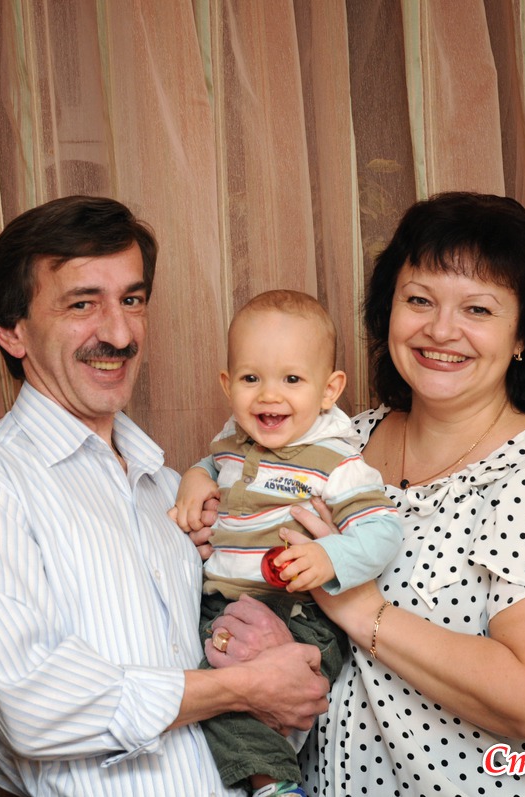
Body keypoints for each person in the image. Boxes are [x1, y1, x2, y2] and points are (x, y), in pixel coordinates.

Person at [198, 192, 525, 796]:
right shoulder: (334, 443)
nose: (440, 330)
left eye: (478, 309)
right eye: (419, 300)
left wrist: (358, 608)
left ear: (522, 334)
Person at [0, 195, 330, 797]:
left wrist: (273, 656)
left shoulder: (172, 488)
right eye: (83, 304)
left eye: (132, 300)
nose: (119, 333)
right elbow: (32, 707)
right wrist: (242, 687)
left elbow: (270, 694)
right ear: (12, 331)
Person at [171, 289, 402, 797]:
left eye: (292, 380)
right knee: (205, 693)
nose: (269, 396)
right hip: (221, 605)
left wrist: (328, 556)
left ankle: (275, 785)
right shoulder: (233, 442)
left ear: (329, 389)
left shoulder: (335, 461)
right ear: (227, 384)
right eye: (251, 379)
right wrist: (194, 477)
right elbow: (214, 465)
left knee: (233, 698)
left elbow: (383, 530)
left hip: (299, 613)